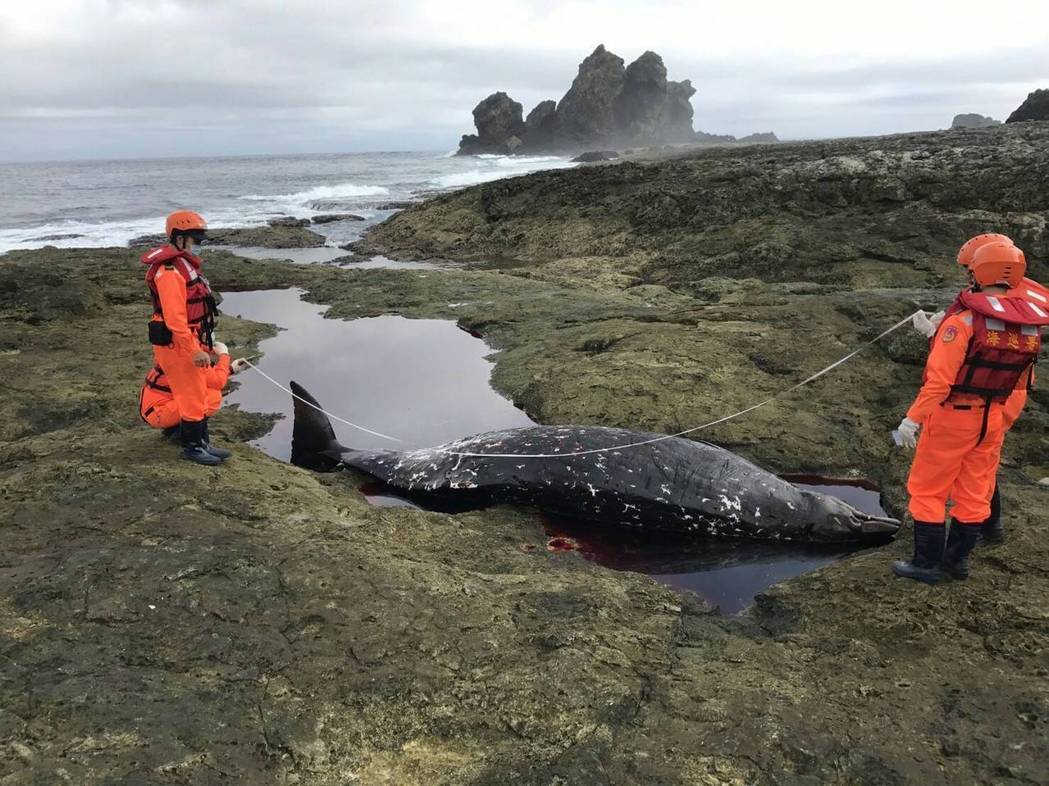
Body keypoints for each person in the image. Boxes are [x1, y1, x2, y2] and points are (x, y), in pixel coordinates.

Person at [893, 240, 1047, 584]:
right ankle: (956, 563)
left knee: (928, 490)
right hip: (993, 418)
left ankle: (925, 564)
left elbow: (939, 384)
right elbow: (1022, 380)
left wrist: (911, 420)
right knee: (975, 492)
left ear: (980, 270)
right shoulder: (1027, 327)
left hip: (952, 418)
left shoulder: (961, 322)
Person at [141, 210, 232, 466]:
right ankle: (192, 447)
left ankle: (202, 442)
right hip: (177, 341)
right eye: (192, 238)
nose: (195, 243)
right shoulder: (169, 271)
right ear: (179, 237)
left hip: (189, 336)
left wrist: (202, 340)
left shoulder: (183, 264)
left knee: (199, 391)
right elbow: (175, 317)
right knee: (191, 394)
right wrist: (193, 349)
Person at [139, 341, 250, 439]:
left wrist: (230, 369)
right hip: (159, 413)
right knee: (213, 396)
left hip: (154, 409)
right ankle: (187, 437)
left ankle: (175, 429)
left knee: (202, 391)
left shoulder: (179, 352)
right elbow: (218, 382)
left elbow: (205, 378)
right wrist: (224, 355)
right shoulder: (192, 359)